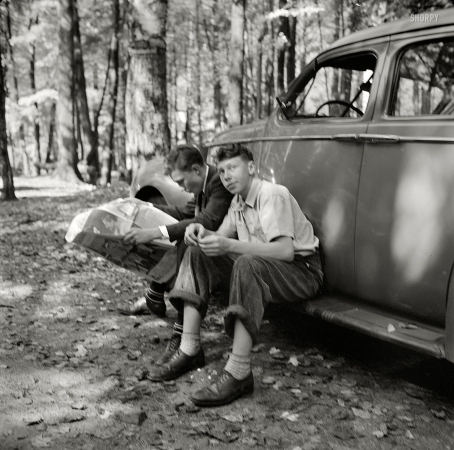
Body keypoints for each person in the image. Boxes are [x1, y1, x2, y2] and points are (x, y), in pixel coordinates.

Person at [148, 144, 324, 406]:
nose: (227, 176)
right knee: (198, 253)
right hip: (267, 268)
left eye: (233, 168)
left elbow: (285, 251)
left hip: (302, 272)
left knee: (247, 263)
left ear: (251, 168)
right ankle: (189, 348)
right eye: (222, 171)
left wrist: (229, 246)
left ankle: (239, 371)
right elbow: (221, 237)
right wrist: (199, 233)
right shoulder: (239, 202)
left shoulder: (271, 195)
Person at [121, 144, 233, 365]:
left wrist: (155, 232)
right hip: (210, 250)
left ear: (196, 170)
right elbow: (184, 212)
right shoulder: (203, 182)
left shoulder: (219, 181)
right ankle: (160, 303)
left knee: (184, 239)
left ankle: (180, 331)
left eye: (182, 182)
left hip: (230, 257)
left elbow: (207, 221)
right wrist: (144, 207)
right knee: (180, 235)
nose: (182, 188)